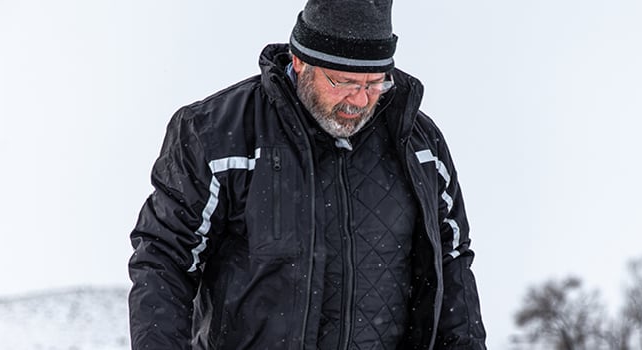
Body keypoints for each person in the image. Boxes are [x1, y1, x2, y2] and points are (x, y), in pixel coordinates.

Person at [127, 0, 486, 349]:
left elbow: (451, 260)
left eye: (375, 82)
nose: (360, 100)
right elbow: (164, 256)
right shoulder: (215, 135)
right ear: (300, 61)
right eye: (344, 81)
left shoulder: (418, 145)